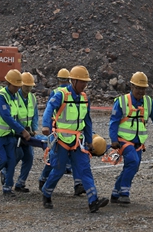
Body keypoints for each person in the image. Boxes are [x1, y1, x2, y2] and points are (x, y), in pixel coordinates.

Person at [41, 65, 109, 212]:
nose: (84, 85)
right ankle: (46, 193)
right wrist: (45, 126)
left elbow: (87, 121)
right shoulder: (61, 95)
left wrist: (89, 141)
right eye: (82, 82)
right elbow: (49, 109)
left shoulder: (84, 98)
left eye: (86, 82)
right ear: (73, 81)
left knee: (85, 169)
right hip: (61, 140)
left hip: (78, 141)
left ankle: (93, 201)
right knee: (58, 170)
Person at [109, 71, 153, 204]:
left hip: (138, 142)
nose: (141, 91)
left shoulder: (148, 102)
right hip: (124, 141)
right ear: (132, 86)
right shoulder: (122, 102)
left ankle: (115, 192)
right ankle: (124, 193)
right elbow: (113, 122)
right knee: (133, 162)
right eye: (138, 88)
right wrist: (113, 140)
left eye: (143, 88)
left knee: (133, 166)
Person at [37, 68, 86, 196]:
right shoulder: (60, 93)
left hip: (63, 131)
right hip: (60, 132)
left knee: (62, 160)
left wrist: (47, 127)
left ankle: (45, 179)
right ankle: (75, 183)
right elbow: (52, 110)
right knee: (59, 160)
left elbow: (49, 111)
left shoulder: (59, 92)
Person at [0, 69, 31, 196]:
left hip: (8, 134)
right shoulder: (0, 96)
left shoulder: (14, 96)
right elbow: (6, 117)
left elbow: (15, 116)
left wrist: (26, 129)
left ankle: (7, 188)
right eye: (15, 86)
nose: (17, 88)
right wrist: (22, 130)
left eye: (19, 86)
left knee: (11, 161)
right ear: (8, 83)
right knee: (1, 159)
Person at [11, 72, 39, 192]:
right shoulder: (15, 97)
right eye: (26, 86)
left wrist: (34, 129)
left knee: (29, 157)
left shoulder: (32, 98)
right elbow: (13, 115)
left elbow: (35, 115)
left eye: (30, 86)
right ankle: (6, 172)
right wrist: (20, 129)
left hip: (27, 133)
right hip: (17, 132)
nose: (28, 88)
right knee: (17, 155)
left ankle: (20, 183)